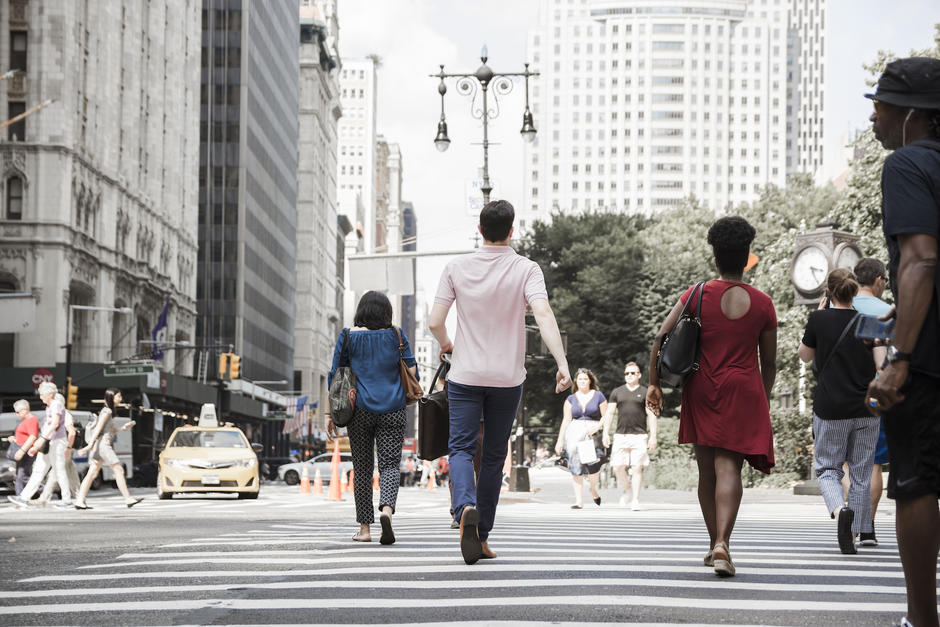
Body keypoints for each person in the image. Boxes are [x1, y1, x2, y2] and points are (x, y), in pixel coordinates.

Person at [429, 198, 571, 565]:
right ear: (512, 231)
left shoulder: (456, 267)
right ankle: (482, 533)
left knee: (460, 449)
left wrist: (447, 344)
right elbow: (542, 313)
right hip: (507, 378)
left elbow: (434, 321)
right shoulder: (527, 269)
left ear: (479, 229)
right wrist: (562, 363)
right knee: (493, 456)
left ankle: (463, 509)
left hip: (464, 376)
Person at [646, 216, 777, 578]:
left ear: (715, 257)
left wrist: (654, 383)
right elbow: (770, 362)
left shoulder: (696, 294)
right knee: (729, 467)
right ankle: (723, 542)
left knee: (707, 471)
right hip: (744, 389)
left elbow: (660, 338)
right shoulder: (764, 304)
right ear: (746, 256)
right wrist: (761, 402)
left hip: (702, 387)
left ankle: (714, 543)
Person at [863, 56, 940, 627]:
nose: (873, 115)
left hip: (931, 357)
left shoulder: (909, 165)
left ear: (914, 114)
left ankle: (921, 619)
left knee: (916, 482)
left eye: (881, 103)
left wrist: (900, 358)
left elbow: (919, 260)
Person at [798, 269, 885, 554]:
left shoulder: (819, 319)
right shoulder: (869, 322)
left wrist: (821, 313)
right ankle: (859, 529)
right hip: (866, 408)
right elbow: (882, 366)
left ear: (829, 292)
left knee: (827, 468)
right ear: (853, 291)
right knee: (861, 471)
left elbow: (804, 355)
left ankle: (839, 509)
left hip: (831, 408)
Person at [326, 291, 417, 546]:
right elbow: (411, 369)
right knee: (389, 465)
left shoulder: (347, 336)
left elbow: (335, 375)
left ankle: (365, 529)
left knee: (363, 469)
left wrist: (328, 413)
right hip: (393, 407)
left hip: (359, 411)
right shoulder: (397, 335)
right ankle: (387, 510)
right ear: (387, 312)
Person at [851, 257, 893, 546]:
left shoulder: (839, 305)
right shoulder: (889, 311)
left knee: (844, 463)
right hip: (875, 393)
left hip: (840, 394)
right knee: (873, 462)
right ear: (879, 280)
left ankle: (850, 519)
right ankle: (867, 528)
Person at [73, 388, 142, 509]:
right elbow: (98, 429)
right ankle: (128, 498)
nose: (120, 399)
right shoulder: (107, 411)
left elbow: (112, 431)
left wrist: (124, 427)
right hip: (104, 446)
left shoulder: (108, 411)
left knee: (92, 473)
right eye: (118, 396)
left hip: (100, 445)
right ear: (111, 397)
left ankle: (80, 500)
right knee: (119, 470)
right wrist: (89, 446)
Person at [8, 381, 74, 508]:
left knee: (59, 470)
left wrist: (41, 440)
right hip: (49, 442)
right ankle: (24, 497)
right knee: (39, 469)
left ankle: (67, 499)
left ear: (50, 394)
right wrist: (38, 444)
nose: (40, 396)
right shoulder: (50, 407)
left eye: (42, 394)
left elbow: (54, 424)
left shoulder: (56, 405)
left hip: (57, 442)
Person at [602, 361, 657, 510]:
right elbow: (610, 413)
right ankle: (627, 489)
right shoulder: (617, 392)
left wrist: (653, 436)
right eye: (627, 373)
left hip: (639, 436)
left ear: (639, 375)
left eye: (633, 373)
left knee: (637, 467)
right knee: (618, 467)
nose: (629, 375)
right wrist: (605, 433)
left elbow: (651, 414)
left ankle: (635, 500)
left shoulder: (646, 392)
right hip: (621, 435)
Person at [554, 368, 608, 509]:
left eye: (585, 379)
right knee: (576, 466)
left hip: (592, 432)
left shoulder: (598, 396)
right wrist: (560, 440)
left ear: (590, 380)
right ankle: (579, 501)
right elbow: (566, 420)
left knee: (593, 466)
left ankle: (593, 489)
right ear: (576, 381)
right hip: (575, 432)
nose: (582, 381)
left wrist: (598, 427)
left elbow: (606, 416)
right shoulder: (570, 399)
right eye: (580, 379)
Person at [37, 394, 82, 505]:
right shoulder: (61, 413)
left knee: (56, 472)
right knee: (70, 471)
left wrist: (68, 448)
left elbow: (72, 432)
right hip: (63, 446)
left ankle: (44, 498)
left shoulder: (64, 414)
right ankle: (79, 495)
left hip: (63, 446)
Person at [7, 399, 38, 495]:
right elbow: (26, 436)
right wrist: (15, 439)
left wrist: (21, 450)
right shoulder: (26, 421)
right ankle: (20, 495)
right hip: (23, 451)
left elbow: (32, 436)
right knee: (20, 476)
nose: (17, 414)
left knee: (23, 476)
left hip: (27, 453)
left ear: (25, 410)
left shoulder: (31, 420)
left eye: (17, 412)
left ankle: (42, 490)